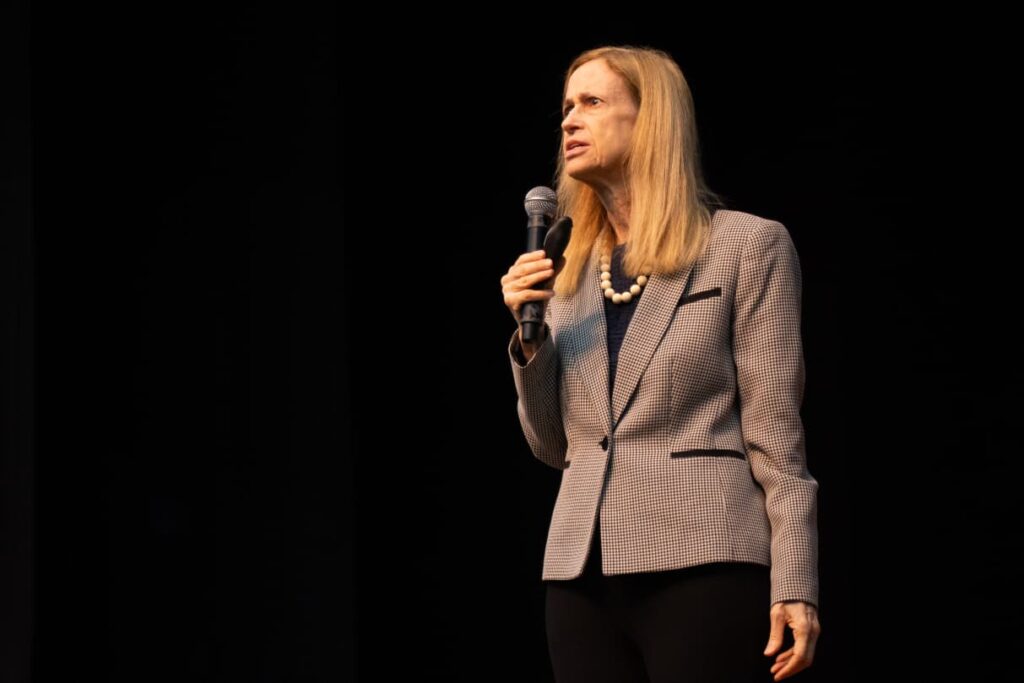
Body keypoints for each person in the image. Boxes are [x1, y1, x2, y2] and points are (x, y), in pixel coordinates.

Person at [500, 46, 821, 682]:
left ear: (651, 123)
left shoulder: (745, 246)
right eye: (566, 106)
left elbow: (778, 440)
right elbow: (553, 446)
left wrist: (797, 579)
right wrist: (529, 339)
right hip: (580, 573)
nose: (569, 120)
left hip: (704, 563)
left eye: (591, 103)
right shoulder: (568, 267)